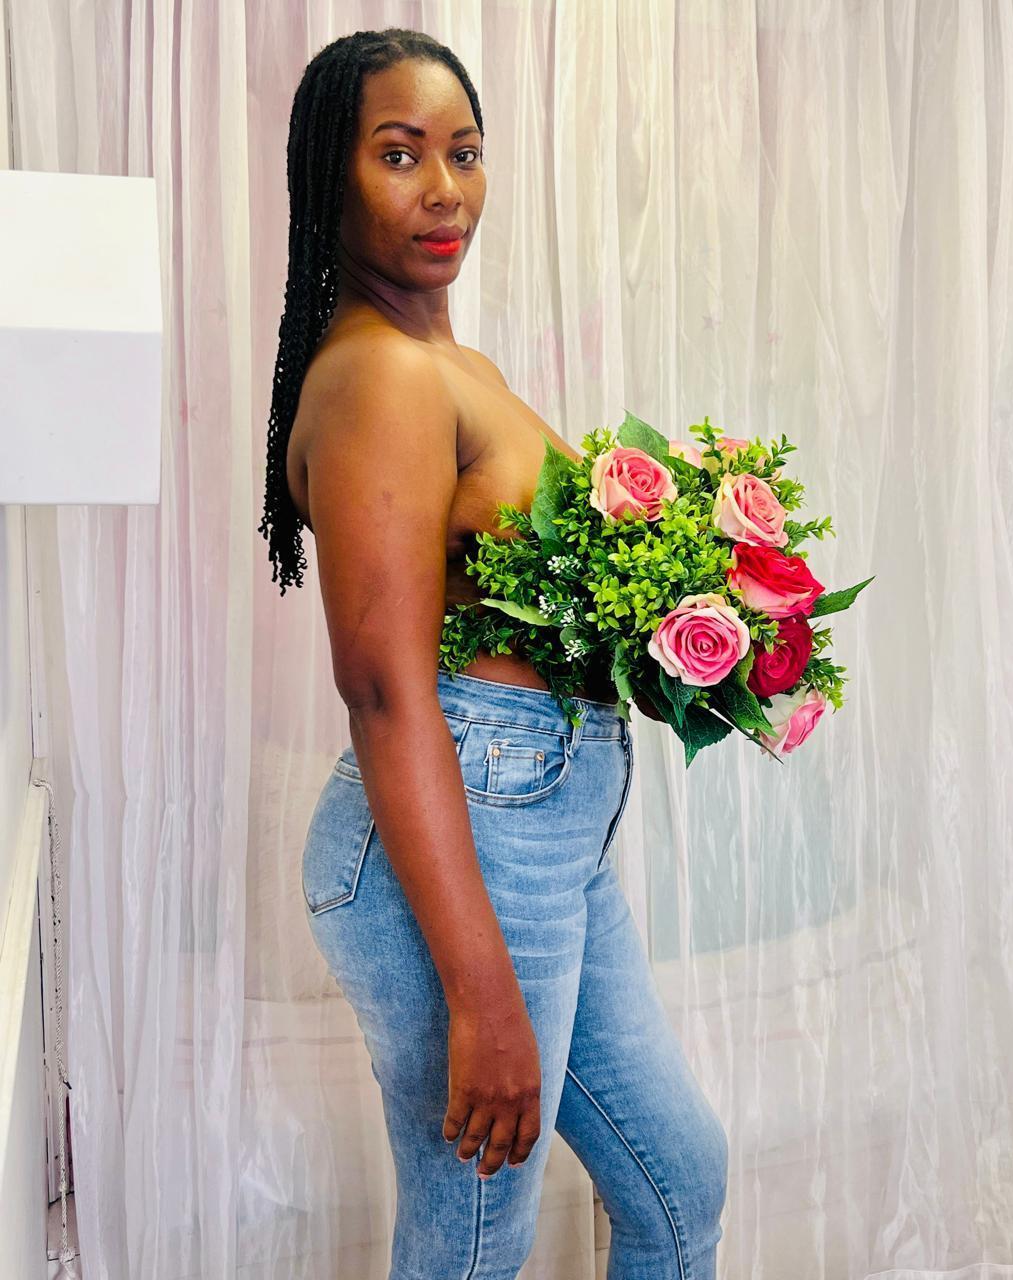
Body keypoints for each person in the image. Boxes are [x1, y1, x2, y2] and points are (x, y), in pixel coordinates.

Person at [257, 27, 728, 1280]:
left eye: (462, 153)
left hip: (540, 828)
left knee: (676, 1179)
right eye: (398, 154)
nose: (443, 189)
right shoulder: (379, 379)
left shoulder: (452, 365)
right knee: (474, 1241)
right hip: (468, 826)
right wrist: (479, 994)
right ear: (329, 174)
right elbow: (382, 688)